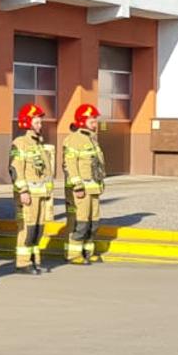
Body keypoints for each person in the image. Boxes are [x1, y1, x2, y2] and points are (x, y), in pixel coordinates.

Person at [9, 105, 55, 275]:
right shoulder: (20, 143)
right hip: (28, 196)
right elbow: (16, 169)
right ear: (27, 122)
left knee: (38, 229)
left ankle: (35, 261)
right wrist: (23, 192)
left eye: (40, 121)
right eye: (37, 121)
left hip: (40, 195)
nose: (40, 124)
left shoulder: (38, 143)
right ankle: (23, 263)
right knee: (27, 229)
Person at [62, 104, 108, 264]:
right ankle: (74, 254)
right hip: (80, 191)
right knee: (80, 222)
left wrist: (100, 184)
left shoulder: (91, 140)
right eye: (92, 119)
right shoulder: (74, 139)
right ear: (82, 120)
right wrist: (78, 186)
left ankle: (88, 252)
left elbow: (97, 165)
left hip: (93, 189)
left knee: (93, 222)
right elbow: (70, 165)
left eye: (95, 119)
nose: (95, 122)